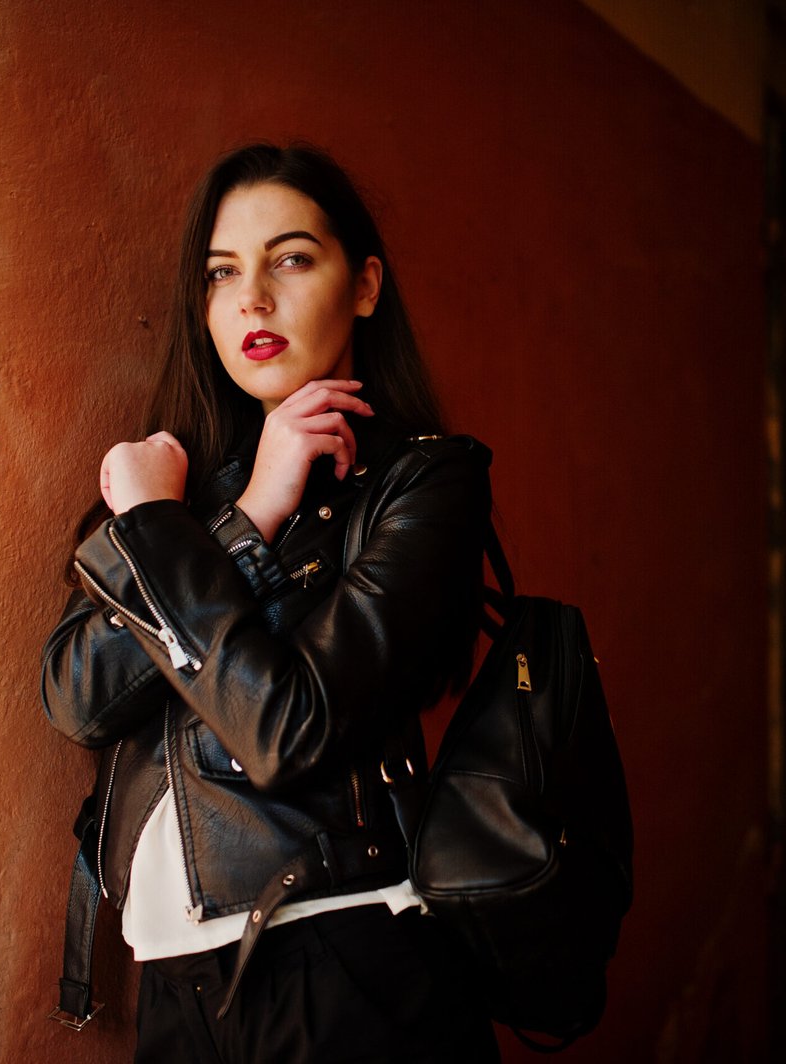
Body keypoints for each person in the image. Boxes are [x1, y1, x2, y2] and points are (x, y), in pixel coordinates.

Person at [40, 143, 500, 1063]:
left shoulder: (424, 483)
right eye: (222, 272)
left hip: (344, 963)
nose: (252, 297)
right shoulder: (177, 497)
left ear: (365, 284)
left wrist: (184, 533)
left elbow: (286, 730)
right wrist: (244, 516)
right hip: (174, 984)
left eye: (290, 258)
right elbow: (77, 697)